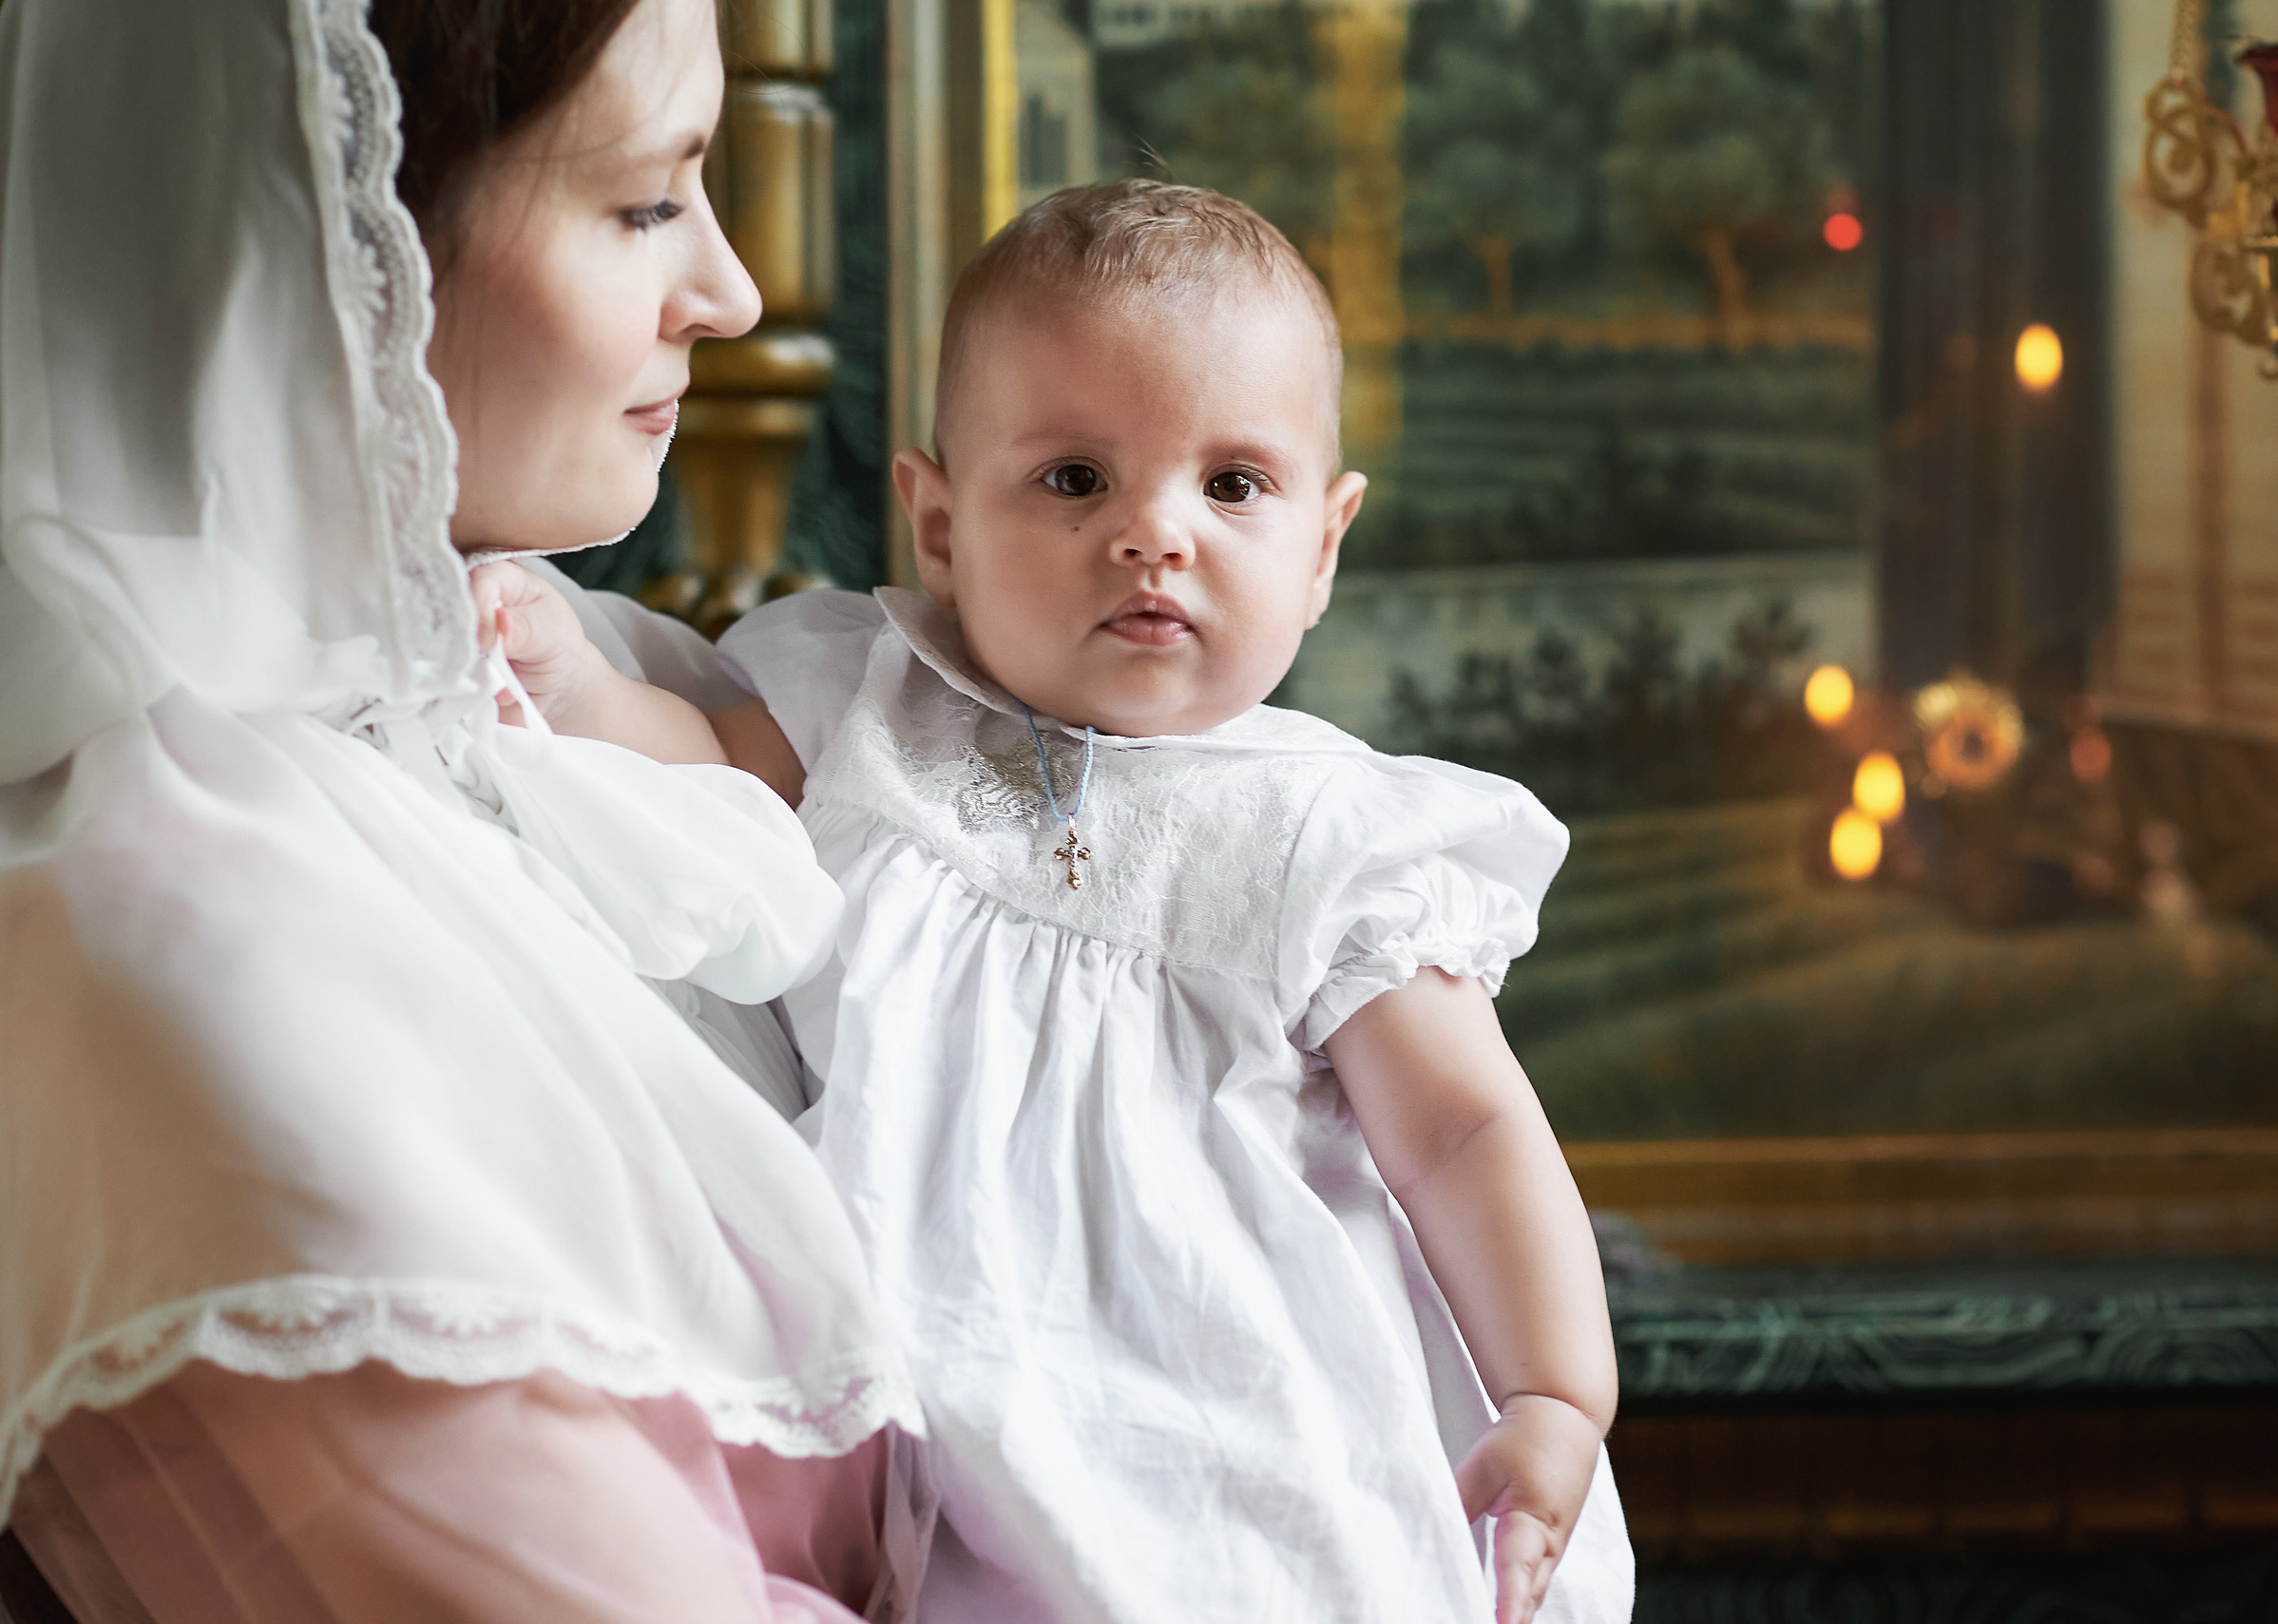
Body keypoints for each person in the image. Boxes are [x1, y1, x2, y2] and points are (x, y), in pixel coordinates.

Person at [480, 180, 1636, 1624]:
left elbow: (1466, 1132)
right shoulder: (867, 710)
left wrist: (1553, 1389)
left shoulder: (1333, 837)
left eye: (1233, 485)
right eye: (1077, 478)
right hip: (938, 1404)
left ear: (1323, 547)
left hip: (1245, 1431)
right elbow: (704, 774)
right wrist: (572, 683)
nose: (1157, 533)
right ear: (943, 522)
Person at [0, 1, 923, 1618]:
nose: (733, 294)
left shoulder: (586, 686)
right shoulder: (181, 922)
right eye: (648, 201)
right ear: (311, 227)